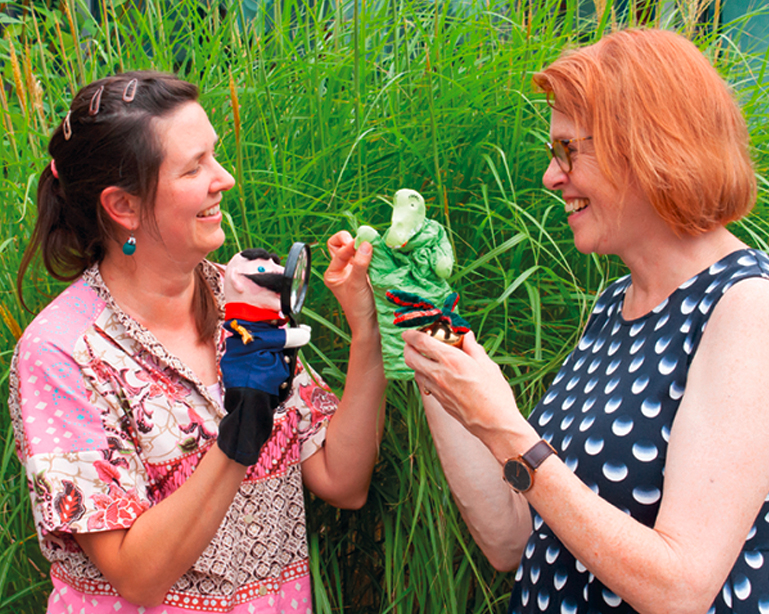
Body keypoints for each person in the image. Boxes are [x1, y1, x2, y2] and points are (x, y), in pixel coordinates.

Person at [402, 28, 769, 614]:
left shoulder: (749, 308)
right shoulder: (617, 305)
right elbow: (512, 538)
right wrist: (428, 336)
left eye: (569, 149)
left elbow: (682, 589)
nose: (552, 177)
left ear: (651, 144)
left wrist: (504, 428)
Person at [9, 70, 387, 614]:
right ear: (124, 207)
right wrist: (242, 430)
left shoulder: (242, 299)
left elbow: (342, 479)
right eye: (194, 167)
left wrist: (364, 325)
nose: (225, 178)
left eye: (215, 155)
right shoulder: (63, 352)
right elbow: (138, 578)